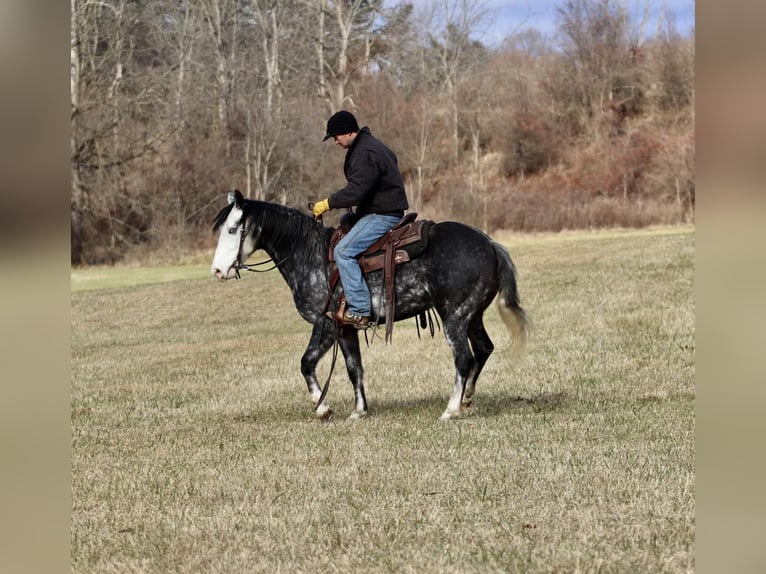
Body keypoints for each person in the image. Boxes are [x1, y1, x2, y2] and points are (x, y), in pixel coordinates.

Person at [313, 110, 409, 329]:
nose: (335, 142)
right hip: (381, 209)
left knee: (343, 252)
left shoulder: (364, 151)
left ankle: (360, 311)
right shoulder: (371, 145)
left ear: (347, 132)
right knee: (346, 222)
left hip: (383, 215)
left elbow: (356, 190)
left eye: (335, 136)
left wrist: (327, 203)